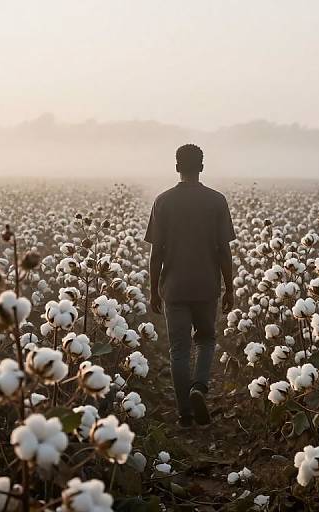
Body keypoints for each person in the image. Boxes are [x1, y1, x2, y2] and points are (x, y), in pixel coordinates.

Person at [144, 144, 235, 427]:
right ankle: (199, 387)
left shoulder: (163, 201)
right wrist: (229, 287)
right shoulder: (216, 201)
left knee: (179, 350)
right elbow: (224, 251)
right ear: (202, 167)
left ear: (176, 167)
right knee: (206, 339)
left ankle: (185, 414)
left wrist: (153, 288)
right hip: (207, 286)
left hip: (174, 287)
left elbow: (155, 252)